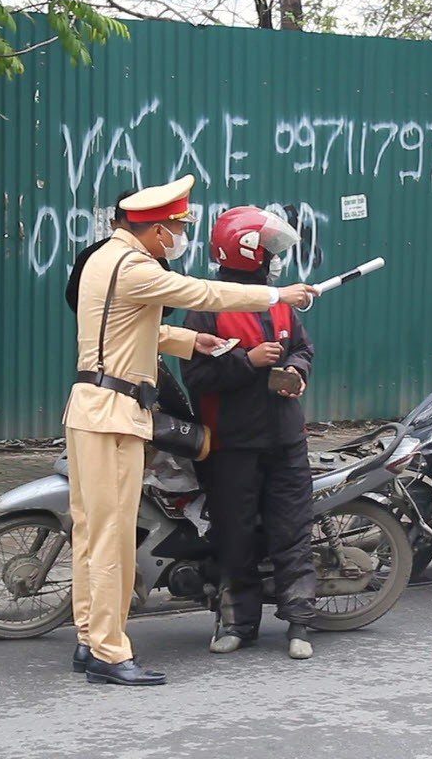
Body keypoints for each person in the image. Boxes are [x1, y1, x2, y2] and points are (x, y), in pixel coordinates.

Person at [64, 176, 319, 686]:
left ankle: (90, 639)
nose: (178, 238)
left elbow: (138, 328)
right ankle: (111, 654)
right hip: (114, 413)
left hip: (92, 408)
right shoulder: (134, 266)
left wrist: (189, 342)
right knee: (112, 540)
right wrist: (276, 294)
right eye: (176, 229)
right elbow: (201, 290)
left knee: (91, 535)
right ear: (157, 231)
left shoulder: (102, 259)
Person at [180, 206, 318, 661]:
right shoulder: (206, 307)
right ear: (249, 253)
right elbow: (197, 378)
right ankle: (238, 623)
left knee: (292, 530)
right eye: (268, 249)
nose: (274, 257)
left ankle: (300, 623)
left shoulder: (278, 299)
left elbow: (302, 348)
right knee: (235, 535)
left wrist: (295, 370)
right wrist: (248, 362)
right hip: (232, 445)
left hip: (285, 439)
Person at [66, 190, 193, 421]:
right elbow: (190, 297)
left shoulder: (150, 257)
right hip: (119, 377)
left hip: (137, 355)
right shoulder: (136, 260)